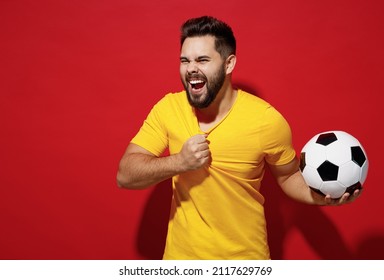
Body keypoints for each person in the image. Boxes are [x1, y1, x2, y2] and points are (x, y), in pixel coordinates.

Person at [116, 16, 361, 260]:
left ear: (228, 63)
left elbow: (287, 176)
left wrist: (322, 198)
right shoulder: (168, 109)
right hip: (182, 261)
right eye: (185, 60)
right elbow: (125, 175)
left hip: (245, 261)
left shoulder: (266, 120)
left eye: (202, 59)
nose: (191, 68)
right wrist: (179, 162)